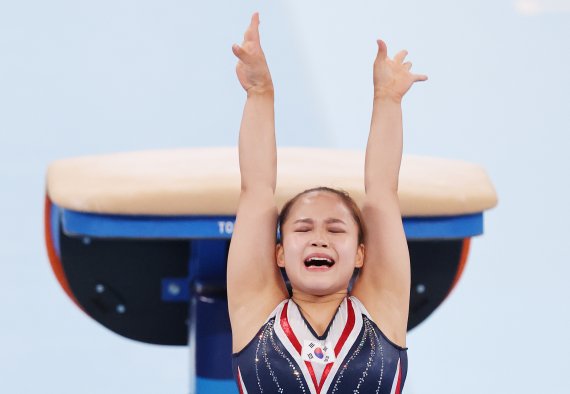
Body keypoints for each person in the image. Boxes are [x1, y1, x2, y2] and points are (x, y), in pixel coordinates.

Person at [227, 12, 427, 394]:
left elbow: (383, 191)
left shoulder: (381, 309)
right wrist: (259, 93)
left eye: (335, 229)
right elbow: (256, 190)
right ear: (280, 253)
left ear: (360, 254)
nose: (319, 238)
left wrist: (387, 100)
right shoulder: (256, 310)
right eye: (303, 228)